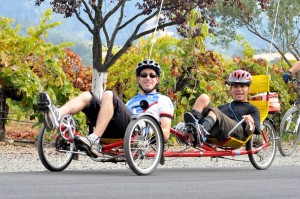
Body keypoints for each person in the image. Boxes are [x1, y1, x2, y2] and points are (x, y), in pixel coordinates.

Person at [39, 60, 174, 158]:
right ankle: (56, 115)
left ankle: (93, 139)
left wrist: (148, 137)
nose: (148, 78)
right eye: (144, 75)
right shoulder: (132, 101)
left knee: (108, 94)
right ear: (138, 79)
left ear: (157, 80)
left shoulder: (163, 100)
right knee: (87, 96)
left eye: (152, 75)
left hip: (137, 132)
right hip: (116, 130)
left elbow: (165, 133)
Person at [183, 69, 260, 142]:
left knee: (215, 111)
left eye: (243, 86)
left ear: (249, 89)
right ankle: (191, 128)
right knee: (204, 98)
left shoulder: (252, 109)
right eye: (235, 86)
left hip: (236, 132)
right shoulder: (223, 107)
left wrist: (250, 123)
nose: (239, 89)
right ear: (231, 89)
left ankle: (201, 132)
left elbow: (250, 132)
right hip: (217, 130)